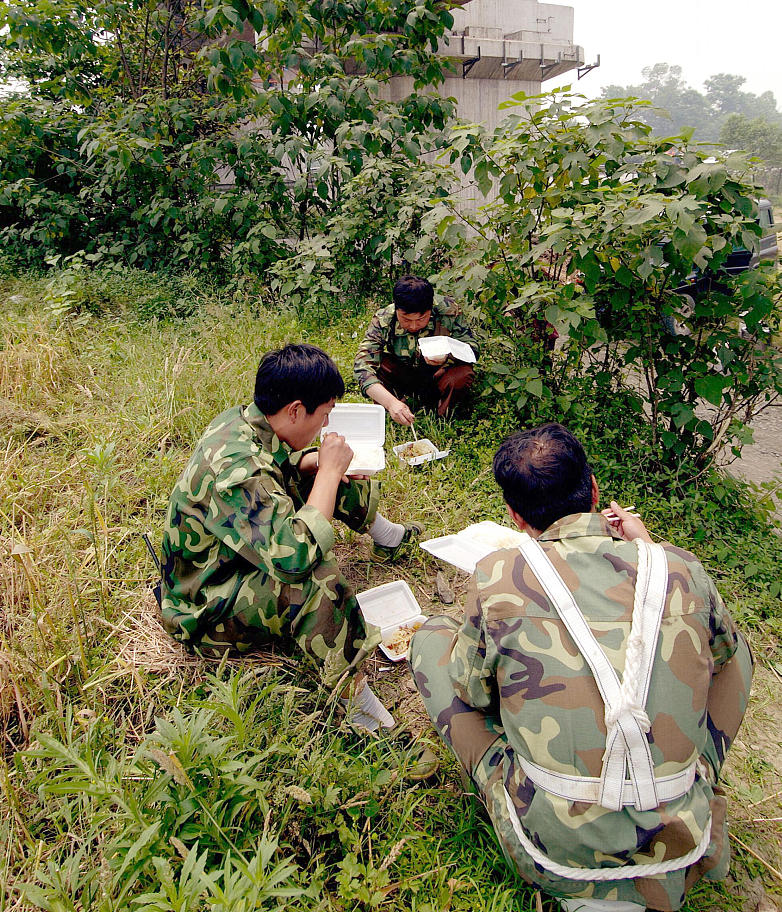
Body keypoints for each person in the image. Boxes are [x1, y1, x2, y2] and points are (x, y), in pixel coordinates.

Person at [410, 423, 753, 912]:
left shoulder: (498, 575)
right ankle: (694, 777)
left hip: (548, 851)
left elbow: (473, 689)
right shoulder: (679, 568)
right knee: (737, 651)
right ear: (594, 490)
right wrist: (651, 549)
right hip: (679, 844)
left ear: (514, 514)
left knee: (432, 639)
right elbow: (721, 655)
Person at [160, 343, 420, 732]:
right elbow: (294, 556)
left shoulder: (245, 420)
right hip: (204, 601)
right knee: (318, 580)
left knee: (324, 470)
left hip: (236, 556)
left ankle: (388, 537)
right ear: (296, 410)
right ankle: (360, 707)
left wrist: (316, 463)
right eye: (324, 416)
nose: (325, 427)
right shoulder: (237, 470)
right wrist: (328, 472)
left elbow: (275, 466)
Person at [354, 275, 479, 424]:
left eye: (421, 319)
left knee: (462, 373)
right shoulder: (385, 318)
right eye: (406, 320)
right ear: (397, 309)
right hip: (404, 374)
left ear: (430, 309)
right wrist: (390, 403)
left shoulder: (448, 311)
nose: (413, 326)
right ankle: (393, 410)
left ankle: (444, 418)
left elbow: (472, 348)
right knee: (381, 364)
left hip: (439, 374)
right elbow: (362, 366)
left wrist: (448, 356)